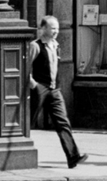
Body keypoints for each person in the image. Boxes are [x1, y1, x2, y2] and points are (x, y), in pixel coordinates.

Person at [31, 16, 83, 169]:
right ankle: (16, 149)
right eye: (52, 28)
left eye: (57, 28)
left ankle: (73, 156)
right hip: (40, 87)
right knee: (29, 120)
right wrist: (35, 86)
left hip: (55, 89)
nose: (56, 31)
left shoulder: (56, 46)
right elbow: (25, 68)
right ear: (43, 28)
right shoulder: (35, 46)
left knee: (63, 122)